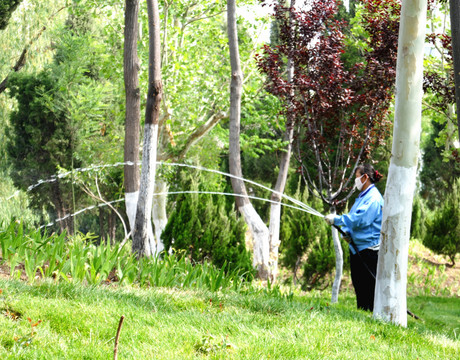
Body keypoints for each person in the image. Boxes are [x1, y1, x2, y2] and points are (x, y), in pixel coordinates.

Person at [324, 164, 384, 311]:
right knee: (359, 285)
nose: (356, 181)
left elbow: (359, 220)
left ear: (365, 177)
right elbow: (354, 221)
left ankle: (371, 316)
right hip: (358, 249)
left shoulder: (374, 198)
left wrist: (337, 219)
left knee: (368, 288)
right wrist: (347, 233)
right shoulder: (363, 197)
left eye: (357, 177)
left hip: (369, 251)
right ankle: (363, 314)